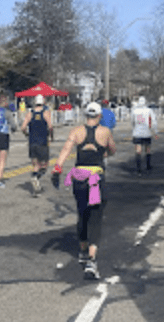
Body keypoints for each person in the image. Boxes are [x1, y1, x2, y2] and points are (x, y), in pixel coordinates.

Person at [51, 102, 116, 280]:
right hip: (96, 179)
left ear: (85, 114)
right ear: (100, 116)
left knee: (82, 213)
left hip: (79, 178)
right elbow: (112, 150)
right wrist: (102, 152)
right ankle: (91, 261)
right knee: (95, 217)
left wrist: (57, 168)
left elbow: (66, 149)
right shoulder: (105, 132)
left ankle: (82, 250)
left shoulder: (76, 131)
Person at [20, 94, 54, 196]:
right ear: (43, 102)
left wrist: (27, 134)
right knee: (45, 165)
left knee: (35, 164)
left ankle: (36, 187)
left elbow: (22, 127)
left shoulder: (30, 113)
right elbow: (50, 126)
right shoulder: (45, 112)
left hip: (32, 142)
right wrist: (51, 136)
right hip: (42, 142)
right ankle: (36, 178)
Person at [131, 96, 154, 174]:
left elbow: (132, 121)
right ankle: (148, 165)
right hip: (146, 132)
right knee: (148, 149)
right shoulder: (149, 110)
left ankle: (138, 169)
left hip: (137, 132)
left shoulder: (135, 111)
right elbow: (152, 120)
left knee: (138, 150)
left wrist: (134, 128)